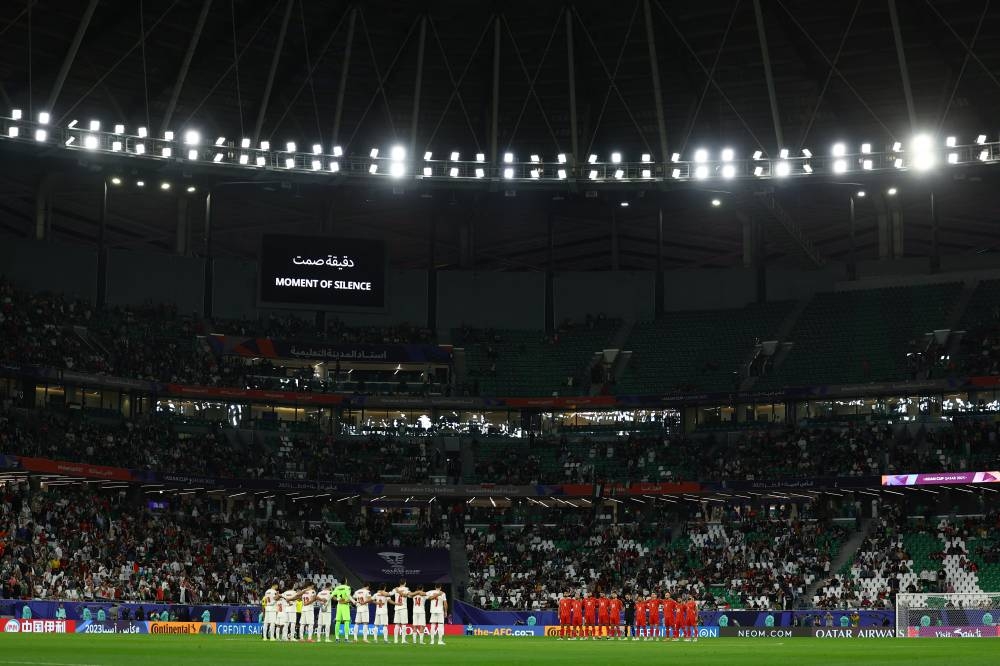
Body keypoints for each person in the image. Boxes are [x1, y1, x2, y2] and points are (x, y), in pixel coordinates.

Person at [391, 579, 411, 644]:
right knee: (404, 624)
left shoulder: (395, 589)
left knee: (397, 624)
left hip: (397, 608)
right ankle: (403, 640)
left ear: (399, 583)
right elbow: (407, 595)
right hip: (403, 608)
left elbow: (389, 594)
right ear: (405, 583)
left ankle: (395, 640)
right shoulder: (406, 589)